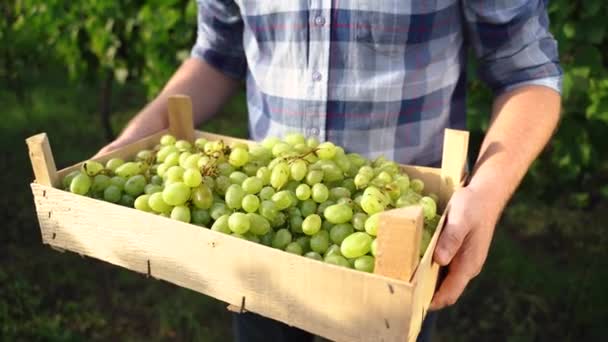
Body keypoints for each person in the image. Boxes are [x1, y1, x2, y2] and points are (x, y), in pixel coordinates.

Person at [97, 1, 562, 341]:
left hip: (400, 248)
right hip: (262, 240)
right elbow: (216, 54)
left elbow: (529, 73)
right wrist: (143, 133)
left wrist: (489, 189)